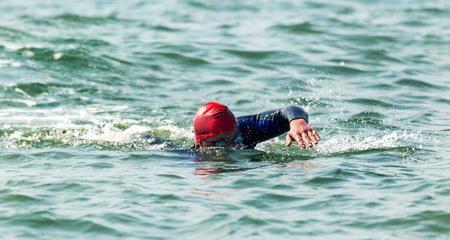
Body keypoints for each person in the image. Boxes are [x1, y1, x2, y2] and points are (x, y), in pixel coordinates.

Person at [193, 102, 320, 149]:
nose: (234, 146)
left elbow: (290, 110)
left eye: (236, 137)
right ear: (200, 143)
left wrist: (297, 122)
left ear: (236, 128)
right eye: (221, 143)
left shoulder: (247, 129)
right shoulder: (191, 158)